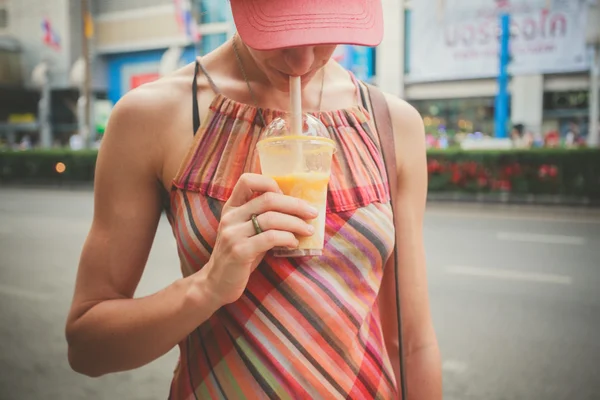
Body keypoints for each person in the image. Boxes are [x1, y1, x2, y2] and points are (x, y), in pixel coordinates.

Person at [65, 0, 442, 398]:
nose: (301, 62)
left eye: (322, 30)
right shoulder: (155, 115)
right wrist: (208, 286)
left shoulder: (390, 123)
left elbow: (412, 343)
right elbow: (88, 347)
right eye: (279, 30)